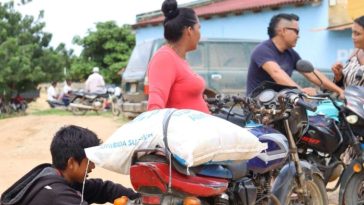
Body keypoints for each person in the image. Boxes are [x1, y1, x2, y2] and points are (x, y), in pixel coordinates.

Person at [0, 125, 140, 205]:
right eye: (90, 161)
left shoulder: (58, 175)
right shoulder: (58, 195)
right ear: (72, 162)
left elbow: (103, 188)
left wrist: (140, 199)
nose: (93, 167)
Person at [246, 13, 344, 97]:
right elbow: (276, 73)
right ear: (283, 31)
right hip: (257, 108)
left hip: (279, 107)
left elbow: (312, 74)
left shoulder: (290, 53)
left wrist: (339, 91)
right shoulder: (263, 50)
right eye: (296, 31)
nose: (298, 36)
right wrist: (301, 92)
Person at [147, 0, 209, 114]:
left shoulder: (178, 59)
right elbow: (155, 103)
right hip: (181, 131)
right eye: (198, 28)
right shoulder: (164, 58)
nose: (200, 33)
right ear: (189, 30)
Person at [332, 15, 364, 88]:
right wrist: (339, 76)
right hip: (347, 99)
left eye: (357, 34)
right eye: (353, 32)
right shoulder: (356, 52)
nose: (353, 36)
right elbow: (343, 86)